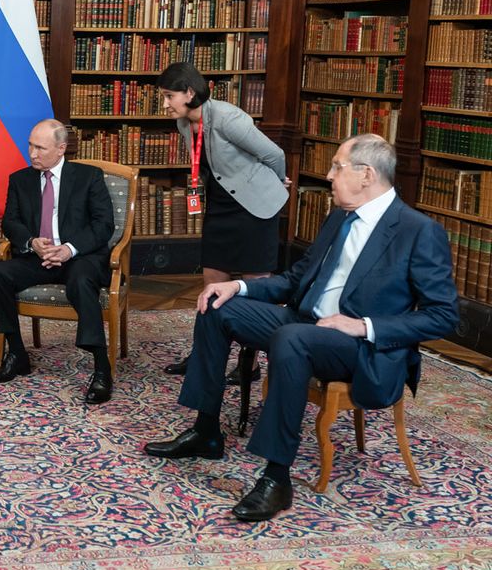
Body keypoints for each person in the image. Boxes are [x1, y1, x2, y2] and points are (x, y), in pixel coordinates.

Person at [144, 134, 458, 521]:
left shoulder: (418, 231)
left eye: (337, 167)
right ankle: (206, 431)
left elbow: (443, 315)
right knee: (216, 305)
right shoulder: (340, 216)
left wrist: (363, 326)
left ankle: (276, 478)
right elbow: (295, 279)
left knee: (292, 338)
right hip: (304, 321)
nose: (329, 175)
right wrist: (237, 286)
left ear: (366, 174)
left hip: (360, 347)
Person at [158, 62, 290, 380]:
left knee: (254, 288)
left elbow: (274, 154)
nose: (164, 104)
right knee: (212, 285)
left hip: (255, 209)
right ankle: (205, 356)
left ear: (189, 92)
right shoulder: (184, 123)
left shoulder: (228, 118)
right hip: (221, 208)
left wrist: (278, 181)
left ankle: (250, 364)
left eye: (169, 96)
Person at [0, 119, 117, 404]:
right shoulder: (20, 180)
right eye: (30, 146)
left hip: (77, 258)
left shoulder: (88, 177)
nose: (32, 154)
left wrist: (69, 248)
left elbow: (103, 224)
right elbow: (10, 222)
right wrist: (31, 242)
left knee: (82, 281)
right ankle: (17, 353)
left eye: (40, 148)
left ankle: (101, 367)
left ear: (61, 148)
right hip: (37, 257)